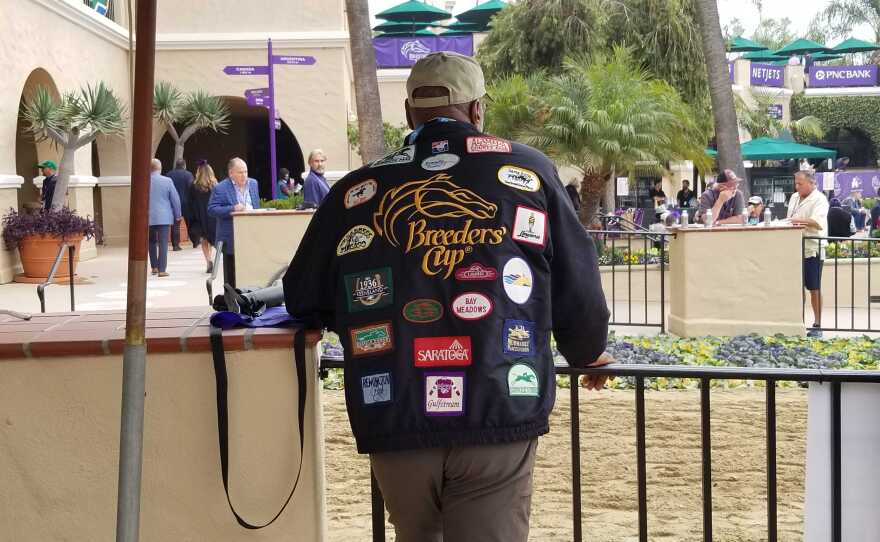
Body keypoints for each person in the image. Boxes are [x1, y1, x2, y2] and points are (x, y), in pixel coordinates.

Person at [282, 51, 611, 542]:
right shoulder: (530, 171)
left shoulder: (359, 189)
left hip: (395, 410)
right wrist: (588, 352)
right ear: (478, 109)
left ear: (410, 111)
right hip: (499, 404)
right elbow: (576, 281)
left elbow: (303, 294)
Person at [787, 170, 829, 337]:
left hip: (813, 248)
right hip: (795, 248)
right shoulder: (794, 197)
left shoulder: (820, 199)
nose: (797, 187)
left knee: (814, 288)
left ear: (812, 183)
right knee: (797, 288)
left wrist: (795, 221)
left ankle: (817, 325)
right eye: (795, 183)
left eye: (800, 184)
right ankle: (799, 323)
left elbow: (818, 223)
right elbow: (790, 217)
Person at [208, 157, 260, 288]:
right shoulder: (220, 188)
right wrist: (232, 208)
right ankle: (231, 301)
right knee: (232, 276)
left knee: (251, 271)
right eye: (240, 172)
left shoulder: (253, 183)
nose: (244, 176)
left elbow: (256, 206)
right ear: (231, 173)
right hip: (231, 237)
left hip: (252, 235)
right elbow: (212, 209)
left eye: (246, 172)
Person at [147, 159, 181, 277]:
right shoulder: (167, 181)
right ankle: (162, 269)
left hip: (148, 217)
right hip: (164, 217)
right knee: (163, 243)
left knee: (151, 242)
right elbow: (175, 199)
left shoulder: (144, 181)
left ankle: (154, 267)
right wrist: (178, 214)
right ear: (160, 168)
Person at [189, 160, 219, 273]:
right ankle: (210, 260)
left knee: (204, 240)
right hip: (212, 216)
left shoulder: (194, 186)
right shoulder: (215, 185)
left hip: (200, 216)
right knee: (211, 238)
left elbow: (190, 203)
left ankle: (208, 260)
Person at [166, 159, 195, 250]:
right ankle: (194, 241)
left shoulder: (169, 175)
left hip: (173, 203)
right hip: (186, 203)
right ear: (184, 165)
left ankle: (175, 245)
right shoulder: (188, 174)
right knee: (190, 222)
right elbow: (192, 188)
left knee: (175, 224)